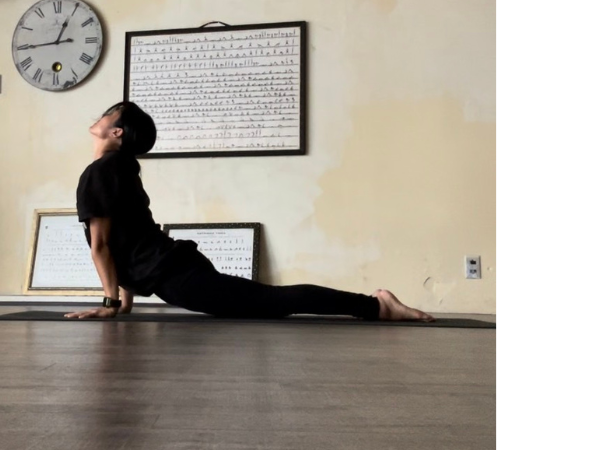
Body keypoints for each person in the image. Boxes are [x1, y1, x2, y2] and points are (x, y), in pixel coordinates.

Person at [66, 101, 435, 323]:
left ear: (117, 132)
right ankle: (375, 306)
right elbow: (130, 235)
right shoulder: (119, 169)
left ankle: (376, 306)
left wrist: (111, 303)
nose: (101, 116)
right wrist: (124, 301)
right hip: (175, 270)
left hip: (177, 277)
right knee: (271, 302)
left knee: (274, 302)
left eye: (108, 114)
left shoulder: (103, 171)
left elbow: (102, 246)